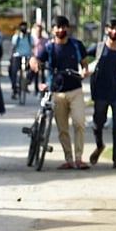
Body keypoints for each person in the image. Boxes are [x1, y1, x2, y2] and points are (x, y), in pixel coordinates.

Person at [30, 15, 90, 170]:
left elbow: (84, 63)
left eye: (64, 27)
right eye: (58, 27)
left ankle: (79, 158)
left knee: (79, 123)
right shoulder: (49, 48)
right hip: (56, 92)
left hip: (75, 90)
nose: (61, 30)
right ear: (53, 30)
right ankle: (69, 159)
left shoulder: (76, 45)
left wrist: (84, 71)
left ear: (68, 29)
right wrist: (34, 64)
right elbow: (36, 59)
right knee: (62, 129)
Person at [87, 18, 116, 168]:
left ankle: (115, 160)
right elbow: (82, 56)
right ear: (106, 30)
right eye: (112, 28)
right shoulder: (99, 48)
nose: (114, 31)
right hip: (100, 93)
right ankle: (99, 145)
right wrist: (84, 68)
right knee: (97, 124)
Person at [9, 21, 33, 99]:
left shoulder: (30, 37)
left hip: (27, 56)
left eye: (25, 27)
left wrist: (33, 56)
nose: (23, 28)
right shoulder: (16, 37)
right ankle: (14, 89)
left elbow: (33, 47)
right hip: (17, 56)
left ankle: (26, 83)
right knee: (13, 71)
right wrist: (11, 57)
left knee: (33, 69)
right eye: (22, 27)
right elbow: (13, 47)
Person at [30, 23, 49, 95]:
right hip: (35, 58)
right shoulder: (33, 39)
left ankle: (43, 89)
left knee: (43, 75)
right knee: (36, 74)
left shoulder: (45, 40)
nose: (39, 32)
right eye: (37, 30)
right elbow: (31, 48)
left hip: (43, 59)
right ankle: (36, 89)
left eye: (40, 30)